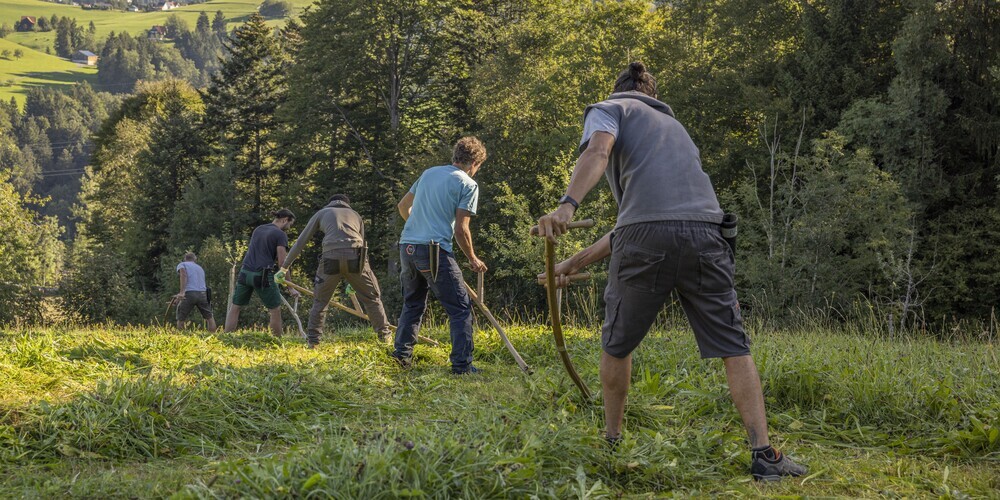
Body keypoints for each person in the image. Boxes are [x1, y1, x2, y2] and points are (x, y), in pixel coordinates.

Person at [534, 62, 806, 481]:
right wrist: (575, 262)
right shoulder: (676, 129)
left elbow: (599, 152)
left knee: (617, 345)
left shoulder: (609, 108)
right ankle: (764, 456)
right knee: (735, 345)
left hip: (646, 239)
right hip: (708, 235)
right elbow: (641, 221)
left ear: (619, 90)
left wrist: (567, 205)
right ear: (653, 95)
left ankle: (612, 440)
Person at [393, 136, 488, 374]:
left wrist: (418, 226)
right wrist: (473, 258)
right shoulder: (467, 184)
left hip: (407, 246)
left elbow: (403, 207)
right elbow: (461, 229)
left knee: (412, 303)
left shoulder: (428, 173)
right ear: (474, 163)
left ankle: (401, 357)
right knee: (459, 307)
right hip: (434, 249)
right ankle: (462, 365)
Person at [278, 194, 394, 347]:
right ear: (347, 204)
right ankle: (384, 338)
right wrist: (357, 278)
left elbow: (301, 242)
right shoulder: (356, 215)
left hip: (330, 258)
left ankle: (313, 342)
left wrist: (284, 267)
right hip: (356, 258)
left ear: (330, 203)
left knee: (320, 301)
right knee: (372, 299)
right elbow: (363, 247)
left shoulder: (322, 213)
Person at [225, 209, 298, 337]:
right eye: (289, 224)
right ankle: (277, 342)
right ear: (285, 220)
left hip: (245, 272)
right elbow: (283, 264)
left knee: (235, 307)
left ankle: (226, 337)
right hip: (262, 275)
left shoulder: (259, 229)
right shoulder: (280, 235)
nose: (289, 227)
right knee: (275, 310)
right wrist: (290, 288)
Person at [173, 252, 217, 331]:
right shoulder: (199, 268)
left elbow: (183, 275)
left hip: (189, 294)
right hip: (203, 294)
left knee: (181, 318)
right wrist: (177, 299)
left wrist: (182, 292)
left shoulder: (182, 264)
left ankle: (181, 337)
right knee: (209, 317)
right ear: (195, 259)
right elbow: (195, 283)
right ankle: (213, 337)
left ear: (185, 259)